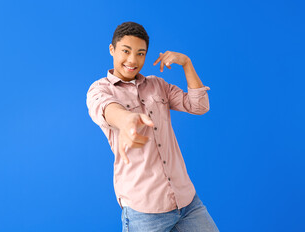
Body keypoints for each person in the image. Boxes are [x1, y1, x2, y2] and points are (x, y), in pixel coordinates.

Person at [86, 22, 219, 232]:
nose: (132, 60)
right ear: (112, 49)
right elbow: (105, 109)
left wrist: (186, 63)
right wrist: (125, 119)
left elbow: (199, 106)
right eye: (126, 51)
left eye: (140, 53)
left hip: (187, 202)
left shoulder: (158, 85)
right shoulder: (100, 89)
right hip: (145, 210)